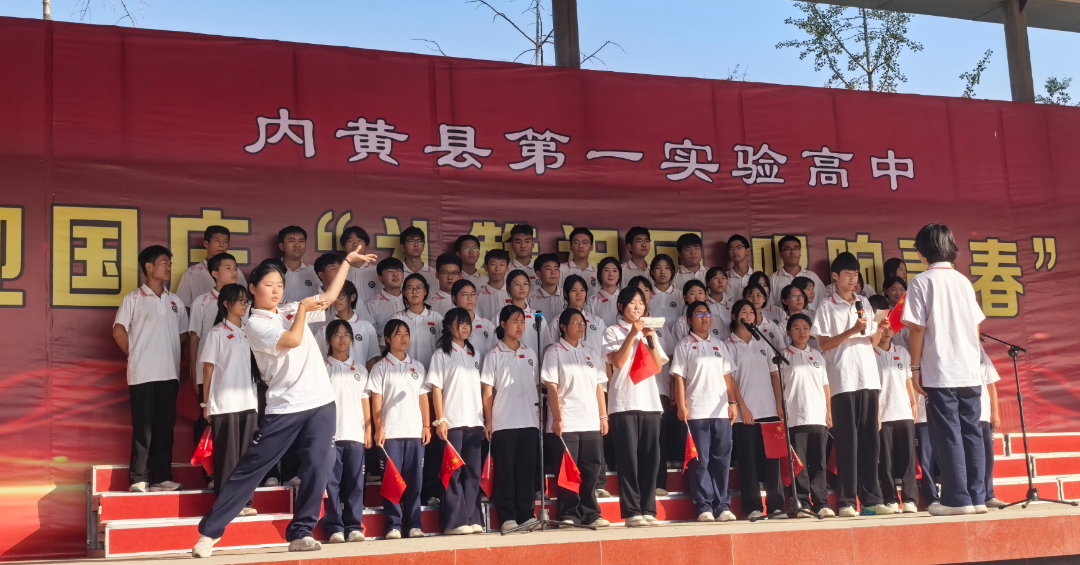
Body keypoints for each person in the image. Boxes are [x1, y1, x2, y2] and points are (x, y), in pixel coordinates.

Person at [192, 247, 375, 558]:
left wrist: (346, 262)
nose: (276, 291)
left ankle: (301, 532)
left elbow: (330, 296)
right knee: (251, 467)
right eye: (268, 285)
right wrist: (302, 310)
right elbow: (291, 340)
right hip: (285, 406)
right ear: (252, 288)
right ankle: (210, 532)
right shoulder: (255, 324)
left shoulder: (290, 308)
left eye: (279, 285)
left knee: (319, 466)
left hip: (321, 402)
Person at [902, 224, 988, 516]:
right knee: (972, 433)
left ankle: (956, 500)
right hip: (968, 368)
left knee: (948, 434)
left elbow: (916, 328)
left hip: (940, 369)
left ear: (923, 250)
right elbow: (976, 326)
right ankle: (977, 497)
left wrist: (915, 367)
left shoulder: (921, 282)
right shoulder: (963, 281)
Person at [812, 252, 894, 517]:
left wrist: (879, 329)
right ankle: (847, 501)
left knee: (871, 441)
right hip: (842, 380)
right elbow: (824, 344)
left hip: (867, 377)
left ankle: (872, 499)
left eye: (855, 274)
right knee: (848, 442)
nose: (852, 279)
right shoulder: (827, 306)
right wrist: (851, 330)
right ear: (835, 276)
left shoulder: (864, 303)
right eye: (847, 274)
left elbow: (871, 342)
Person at [114, 245, 189, 493]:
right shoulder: (133, 298)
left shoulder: (175, 301)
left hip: (170, 374)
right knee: (143, 429)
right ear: (148, 267)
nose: (169, 267)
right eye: (164, 263)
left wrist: (166, 350)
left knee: (165, 429)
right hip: (142, 375)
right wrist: (136, 354)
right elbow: (118, 330)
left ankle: (162, 477)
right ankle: (139, 478)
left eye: (170, 263)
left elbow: (182, 334)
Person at [602, 287, 667, 527]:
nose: (638, 307)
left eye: (641, 302)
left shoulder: (649, 332)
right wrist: (632, 334)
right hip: (623, 403)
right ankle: (631, 512)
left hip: (649, 402)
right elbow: (618, 362)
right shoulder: (611, 331)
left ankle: (648, 509)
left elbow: (658, 367)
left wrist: (650, 339)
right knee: (628, 459)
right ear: (621, 306)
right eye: (632, 303)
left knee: (650, 459)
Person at [670, 300, 739, 523]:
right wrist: (681, 406)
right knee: (700, 461)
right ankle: (704, 506)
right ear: (689, 320)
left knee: (721, 459)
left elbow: (728, 377)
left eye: (707, 314)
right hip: (696, 411)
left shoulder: (720, 345)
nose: (704, 318)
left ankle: (723, 505)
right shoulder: (683, 345)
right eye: (699, 314)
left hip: (721, 411)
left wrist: (732, 402)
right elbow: (679, 378)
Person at [542, 308, 611, 527]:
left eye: (583, 323)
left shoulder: (590, 352)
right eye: (575, 322)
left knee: (591, 468)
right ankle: (568, 513)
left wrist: (603, 415)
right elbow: (551, 386)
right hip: (566, 421)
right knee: (567, 470)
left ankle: (591, 513)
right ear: (563, 327)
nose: (581, 326)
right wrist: (557, 418)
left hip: (590, 419)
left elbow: (599, 385)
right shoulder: (554, 352)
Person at [199, 283, 259, 515]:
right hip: (224, 403)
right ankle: (226, 505)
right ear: (226, 303)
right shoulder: (217, 333)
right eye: (240, 300)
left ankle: (245, 502)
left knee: (247, 456)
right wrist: (206, 403)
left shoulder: (250, 330)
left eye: (246, 300)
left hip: (249, 402)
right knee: (227, 457)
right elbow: (208, 369)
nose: (245, 304)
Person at [368, 319, 431, 539]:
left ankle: (414, 524)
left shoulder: (417, 366)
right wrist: (379, 428)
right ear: (387, 339)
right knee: (392, 481)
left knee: (415, 481)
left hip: (414, 432)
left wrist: (426, 425)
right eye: (398, 334)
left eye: (406, 334)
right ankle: (393, 525)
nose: (404, 338)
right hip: (391, 433)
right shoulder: (380, 367)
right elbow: (376, 401)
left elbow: (423, 398)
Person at [426, 308, 486, 535]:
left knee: (472, 472)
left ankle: (472, 517)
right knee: (453, 472)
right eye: (460, 323)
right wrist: (440, 420)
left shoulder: (474, 354)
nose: (465, 327)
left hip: (474, 420)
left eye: (467, 323)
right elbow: (436, 389)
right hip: (452, 420)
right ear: (449, 327)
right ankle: (453, 521)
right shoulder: (441, 354)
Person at [482, 305, 541, 533]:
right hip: (504, 421)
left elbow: (536, 386)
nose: (520, 326)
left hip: (529, 420)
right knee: (505, 472)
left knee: (526, 471)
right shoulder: (494, 354)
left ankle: (526, 514)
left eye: (523, 322)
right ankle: (507, 517)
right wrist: (489, 421)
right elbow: (487, 391)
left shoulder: (531, 353)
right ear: (503, 324)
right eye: (515, 321)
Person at [725, 300, 784, 520]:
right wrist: (743, 407)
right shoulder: (729, 345)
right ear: (734, 317)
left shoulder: (763, 342)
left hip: (769, 410)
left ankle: (776, 506)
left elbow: (774, 375)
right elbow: (731, 380)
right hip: (745, 414)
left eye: (752, 312)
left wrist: (779, 402)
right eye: (744, 312)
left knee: (773, 461)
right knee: (748, 461)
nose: (749, 316)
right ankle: (753, 507)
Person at [188, 252, 240, 487]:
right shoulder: (201, 302)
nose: (234, 272)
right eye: (228, 268)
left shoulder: (244, 302)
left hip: (235, 376)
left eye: (235, 268)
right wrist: (194, 371)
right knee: (208, 420)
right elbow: (194, 338)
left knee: (235, 424)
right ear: (215, 273)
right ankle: (210, 473)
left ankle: (233, 472)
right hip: (208, 372)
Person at [319, 319, 373, 544]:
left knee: (355, 482)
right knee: (331, 483)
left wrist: (368, 429)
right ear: (329, 340)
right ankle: (334, 527)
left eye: (346, 335)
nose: (342, 340)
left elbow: (365, 400)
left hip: (355, 433)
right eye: (337, 335)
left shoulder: (359, 369)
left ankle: (354, 526)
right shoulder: (322, 368)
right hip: (331, 435)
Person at [628, 275, 678, 496]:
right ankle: (639, 485)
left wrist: (672, 385)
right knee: (637, 441)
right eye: (635, 297)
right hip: (634, 391)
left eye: (644, 294)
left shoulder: (657, 325)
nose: (640, 301)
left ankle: (659, 482)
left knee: (658, 439)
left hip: (658, 389)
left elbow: (668, 356)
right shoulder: (623, 328)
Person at [781, 313, 833, 517]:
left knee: (819, 462)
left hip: (817, 415)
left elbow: (825, 385)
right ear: (788, 332)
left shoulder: (817, 355)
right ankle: (802, 502)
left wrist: (829, 410)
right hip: (795, 416)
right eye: (796, 328)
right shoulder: (782, 356)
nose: (801, 332)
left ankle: (822, 502)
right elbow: (778, 385)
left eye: (805, 328)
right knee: (799, 463)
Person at [875, 321, 918, 513]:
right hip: (883, 413)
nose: (887, 332)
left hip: (903, 411)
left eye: (890, 328)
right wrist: (875, 413)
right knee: (886, 460)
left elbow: (908, 379)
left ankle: (910, 499)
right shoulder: (870, 353)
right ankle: (890, 498)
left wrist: (913, 402)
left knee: (908, 458)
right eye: (883, 328)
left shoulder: (901, 351)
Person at [176, 225, 248, 309]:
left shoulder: (237, 273)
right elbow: (183, 305)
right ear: (206, 244)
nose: (221, 245)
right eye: (217, 241)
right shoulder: (191, 273)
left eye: (225, 242)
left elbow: (245, 301)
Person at [315, 281, 380, 370]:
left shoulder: (366, 327)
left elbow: (372, 358)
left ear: (353, 297)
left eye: (341, 295)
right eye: (334, 296)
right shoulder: (324, 329)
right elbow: (319, 358)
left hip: (361, 376)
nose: (337, 299)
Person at [542, 275, 607, 356]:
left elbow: (606, 351)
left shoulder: (597, 321)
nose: (579, 294)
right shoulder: (556, 322)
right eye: (574, 290)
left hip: (595, 364)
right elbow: (551, 352)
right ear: (565, 293)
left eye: (582, 290)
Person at [392, 274, 443, 370]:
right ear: (404, 292)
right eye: (410, 288)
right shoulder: (397, 318)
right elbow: (391, 348)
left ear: (425, 291)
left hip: (432, 371)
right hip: (405, 372)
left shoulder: (436, 317)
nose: (414, 291)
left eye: (419, 288)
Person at [769, 236, 826, 310]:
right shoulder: (773, 279)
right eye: (788, 249)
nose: (792, 252)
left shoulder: (812, 276)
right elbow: (769, 308)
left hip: (811, 317)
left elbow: (824, 302)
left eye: (796, 248)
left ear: (800, 252)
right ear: (780, 254)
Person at [978, 345, 1003, 509]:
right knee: (972, 457)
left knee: (987, 456)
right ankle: (975, 495)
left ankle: (989, 495)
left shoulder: (982, 355)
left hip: (984, 416)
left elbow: (991, 385)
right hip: (965, 417)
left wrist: (995, 412)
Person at [452, 279, 498, 357]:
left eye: (473, 294)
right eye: (465, 295)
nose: (470, 298)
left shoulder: (487, 324)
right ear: (454, 298)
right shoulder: (449, 324)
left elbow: (495, 351)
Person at [278, 226, 321, 304]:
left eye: (301, 241)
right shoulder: (272, 271)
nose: (297, 245)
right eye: (292, 241)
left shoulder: (315, 271)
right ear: (281, 246)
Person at [501, 269, 540, 353]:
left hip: (532, 360)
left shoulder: (538, 315)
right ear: (508, 288)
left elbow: (545, 346)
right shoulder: (500, 315)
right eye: (517, 284)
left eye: (525, 284)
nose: (522, 287)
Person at [368, 258, 406, 341]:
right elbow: (369, 332)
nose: (395, 274)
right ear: (380, 278)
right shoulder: (373, 303)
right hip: (384, 347)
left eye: (398, 271)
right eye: (390, 271)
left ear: (403, 275)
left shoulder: (411, 298)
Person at [342, 225, 382, 303]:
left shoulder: (377, 271)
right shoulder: (339, 273)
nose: (355, 244)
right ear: (343, 247)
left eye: (360, 240)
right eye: (350, 241)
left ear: (367, 246)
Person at [742, 284, 784, 350]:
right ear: (744, 299)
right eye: (750, 296)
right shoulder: (741, 325)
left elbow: (782, 349)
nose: (755, 299)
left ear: (764, 299)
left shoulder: (771, 325)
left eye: (758, 295)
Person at [560, 227, 599, 298]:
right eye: (576, 242)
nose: (581, 246)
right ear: (571, 246)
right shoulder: (560, 270)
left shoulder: (598, 273)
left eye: (585, 242)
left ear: (591, 247)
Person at [399, 226, 438, 292]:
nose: (416, 245)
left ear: (423, 246)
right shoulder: (397, 274)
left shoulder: (434, 274)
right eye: (411, 241)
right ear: (403, 247)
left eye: (420, 241)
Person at [586, 256, 621, 327]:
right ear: (599, 274)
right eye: (607, 270)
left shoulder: (627, 298)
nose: (611, 274)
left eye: (614, 271)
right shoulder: (591, 301)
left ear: (619, 275)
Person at [476, 249, 511, 321]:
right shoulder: (478, 296)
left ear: (507, 268)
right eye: (493, 264)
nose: (498, 269)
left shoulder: (513, 293)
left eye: (502, 265)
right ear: (486, 267)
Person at [649, 254, 683, 326]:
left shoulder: (681, 295)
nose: (663, 272)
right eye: (658, 268)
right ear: (652, 272)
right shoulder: (646, 296)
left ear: (672, 272)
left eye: (667, 268)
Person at [530, 253, 564, 321]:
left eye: (556, 269)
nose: (553, 272)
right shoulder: (531, 298)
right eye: (548, 269)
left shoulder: (567, 294)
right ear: (538, 274)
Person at [724, 235, 754, 303]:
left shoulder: (757, 276)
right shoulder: (724, 278)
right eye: (731, 248)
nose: (735, 251)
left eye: (739, 247)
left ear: (747, 251)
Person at [705, 267, 732, 331]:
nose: (720, 281)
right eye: (716, 278)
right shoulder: (702, 305)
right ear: (707, 283)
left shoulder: (732, 306)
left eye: (723, 278)